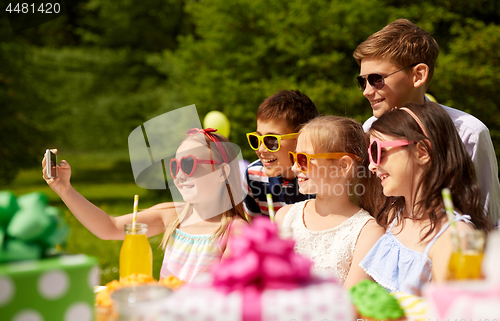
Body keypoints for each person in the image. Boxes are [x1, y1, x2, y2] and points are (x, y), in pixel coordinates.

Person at [42, 128, 248, 283]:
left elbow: (226, 293)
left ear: (222, 172)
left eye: (189, 164)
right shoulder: (172, 215)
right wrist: (65, 190)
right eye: (175, 166)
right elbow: (109, 227)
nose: (180, 175)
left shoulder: (235, 231)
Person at [353, 18, 500, 227]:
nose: (367, 91)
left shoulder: (468, 132)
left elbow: (487, 218)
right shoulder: (368, 129)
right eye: (362, 81)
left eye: (377, 79)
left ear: (418, 75)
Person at [360, 102, 492, 296]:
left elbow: (452, 320)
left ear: (422, 152)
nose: (372, 166)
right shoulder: (393, 215)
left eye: (377, 152)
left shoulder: (457, 239)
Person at [274, 116, 384, 288]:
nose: (295, 167)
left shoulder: (368, 233)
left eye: (303, 159)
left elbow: (351, 304)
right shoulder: (284, 217)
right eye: (293, 157)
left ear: (343, 166)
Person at [243, 89, 319, 218]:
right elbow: (255, 229)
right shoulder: (253, 176)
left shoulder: (320, 177)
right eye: (256, 139)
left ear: (301, 138)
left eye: (271, 140)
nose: (261, 149)